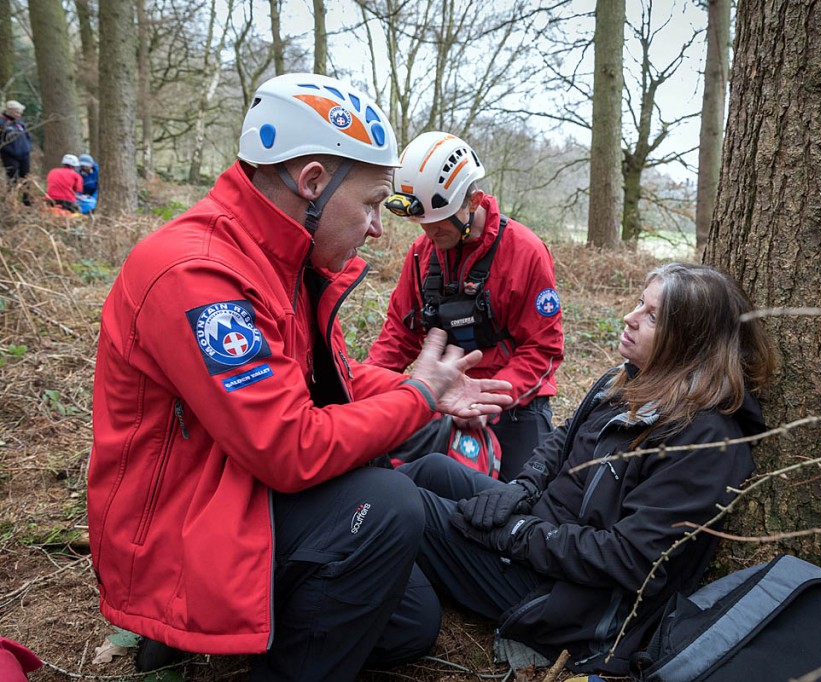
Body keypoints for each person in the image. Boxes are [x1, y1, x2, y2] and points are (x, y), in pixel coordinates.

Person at [87, 73, 513, 682]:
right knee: (389, 503)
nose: (377, 228)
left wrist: (426, 391)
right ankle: (197, 628)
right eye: (370, 204)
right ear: (312, 181)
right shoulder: (197, 274)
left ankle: (231, 631)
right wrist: (418, 395)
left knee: (411, 624)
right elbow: (287, 447)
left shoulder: (287, 262)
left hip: (235, 493)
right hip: (177, 537)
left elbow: (332, 379)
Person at [399, 263, 779, 675]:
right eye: (639, 304)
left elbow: (632, 561)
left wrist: (515, 534)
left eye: (652, 317)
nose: (629, 318)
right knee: (431, 470)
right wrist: (521, 490)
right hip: (544, 536)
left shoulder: (704, 440)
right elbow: (564, 437)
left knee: (402, 505)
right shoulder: (629, 380)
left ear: (688, 341)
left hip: (565, 599)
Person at [366, 131, 564, 479]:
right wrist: (359, 384)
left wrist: (491, 399)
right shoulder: (421, 254)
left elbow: (542, 347)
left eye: (437, 221)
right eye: (421, 221)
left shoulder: (526, 253)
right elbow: (399, 333)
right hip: (445, 396)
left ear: (473, 201)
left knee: (522, 503)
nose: (428, 232)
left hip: (513, 402)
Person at [0, 100, 31, 182]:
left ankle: (26, 194)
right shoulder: (2, 122)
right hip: (10, 155)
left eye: (20, 113)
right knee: (13, 179)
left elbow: (26, 135)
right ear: (9, 111)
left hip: (24, 154)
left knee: (26, 178)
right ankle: (12, 194)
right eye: (17, 112)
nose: (19, 115)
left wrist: (28, 147)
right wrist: (7, 149)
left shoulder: (19, 123)